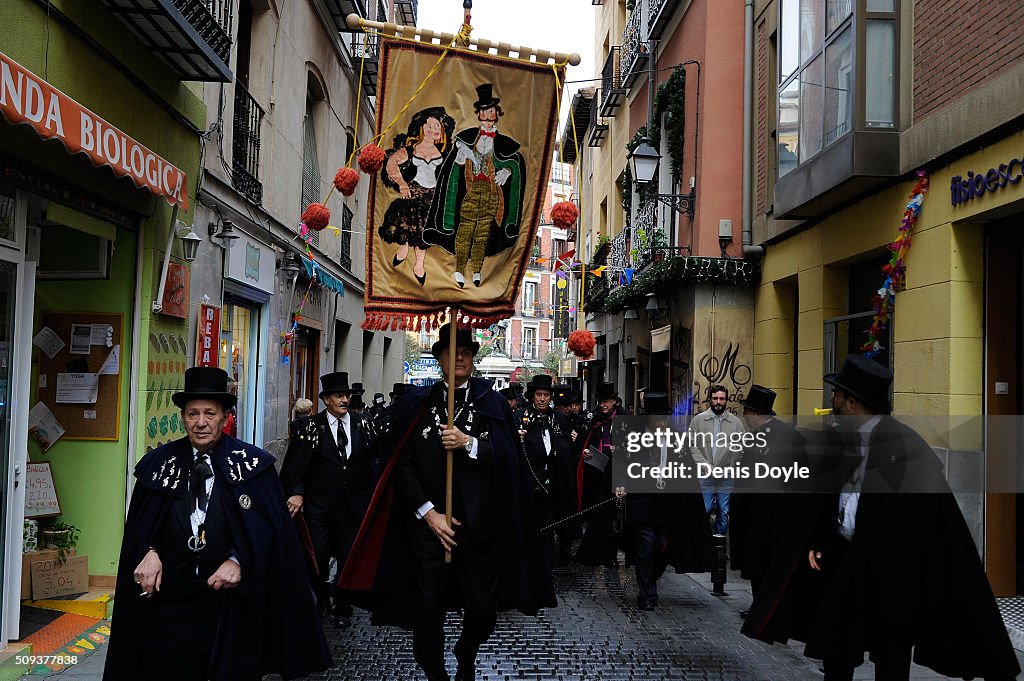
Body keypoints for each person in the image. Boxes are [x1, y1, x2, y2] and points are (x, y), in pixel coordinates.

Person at [743, 356, 1021, 681]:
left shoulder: (905, 447)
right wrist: (818, 541)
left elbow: (932, 523)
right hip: (842, 561)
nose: (830, 400)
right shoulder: (839, 437)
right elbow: (824, 498)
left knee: (890, 658)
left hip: (891, 576)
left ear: (851, 401)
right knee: (836, 647)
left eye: (835, 394)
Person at [338, 323, 555, 681]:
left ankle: (466, 651)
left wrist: (469, 444)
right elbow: (400, 466)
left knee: (484, 607)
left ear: (473, 359)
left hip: (478, 528)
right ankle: (435, 671)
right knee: (427, 607)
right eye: (451, 353)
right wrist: (429, 514)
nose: (459, 359)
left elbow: (509, 459)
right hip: (428, 528)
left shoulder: (492, 403)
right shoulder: (418, 405)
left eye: (466, 354)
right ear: (438, 359)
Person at [104, 367, 329, 680]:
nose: (200, 422)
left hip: (230, 606)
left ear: (225, 417)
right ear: (182, 417)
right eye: (192, 413)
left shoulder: (254, 467)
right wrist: (150, 550)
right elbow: (140, 529)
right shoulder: (157, 466)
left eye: (210, 413)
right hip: (170, 604)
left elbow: (272, 535)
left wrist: (239, 560)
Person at [577, 391, 712, 610]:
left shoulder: (678, 440)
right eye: (657, 419)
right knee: (645, 546)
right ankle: (647, 593)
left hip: (668, 505)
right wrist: (620, 484)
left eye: (664, 419)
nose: (661, 424)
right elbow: (619, 463)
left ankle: (649, 579)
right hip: (640, 504)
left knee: (664, 547)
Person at [279, 372, 379, 628]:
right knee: (319, 556)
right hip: (319, 506)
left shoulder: (363, 424)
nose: (344, 400)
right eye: (338, 395)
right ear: (326, 400)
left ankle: (342, 604)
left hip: (352, 505)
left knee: (348, 555)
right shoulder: (308, 428)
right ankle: (322, 597)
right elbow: (293, 467)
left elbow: (374, 461)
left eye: (346, 395)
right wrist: (297, 491)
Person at [424, 84, 527, 288]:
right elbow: (453, 171)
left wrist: (507, 171)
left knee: (482, 235)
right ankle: (460, 270)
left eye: (491, 111)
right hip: (471, 194)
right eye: (484, 111)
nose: (487, 115)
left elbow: (513, 163)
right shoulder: (467, 138)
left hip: (491, 196)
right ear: (479, 114)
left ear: (496, 115)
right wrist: (460, 162)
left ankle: (478, 271)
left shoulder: (504, 143)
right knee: (465, 233)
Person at [729, 385, 808, 602]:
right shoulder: (758, 435)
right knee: (759, 560)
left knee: (765, 560)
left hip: (772, 511)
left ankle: (765, 605)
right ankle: (760, 604)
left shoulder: (787, 437)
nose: (744, 416)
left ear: (756, 414)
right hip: (760, 510)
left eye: (747, 411)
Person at [380, 106, 456, 286]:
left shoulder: (444, 155)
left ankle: (419, 265)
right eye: (429, 126)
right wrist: (402, 184)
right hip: (413, 194)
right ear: (422, 128)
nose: (433, 129)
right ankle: (403, 247)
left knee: (423, 232)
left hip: (431, 198)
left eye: (437, 126)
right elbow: (391, 164)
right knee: (406, 224)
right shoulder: (410, 150)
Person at [514, 374, 576, 567]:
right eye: (539, 395)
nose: (542, 399)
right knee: (528, 525)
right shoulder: (520, 417)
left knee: (548, 525)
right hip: (529, 482)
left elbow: (565, 447)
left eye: (546, 395)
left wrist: (569, 443)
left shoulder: (559, 418)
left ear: (551, 397)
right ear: (533, 396)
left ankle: (544, 564)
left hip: (552, 484)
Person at [687, 385, 746, 536]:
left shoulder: (736, 423)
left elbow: (739, 447)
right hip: (704, 473)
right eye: (715, 398)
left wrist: (727, 465)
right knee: (704, 509)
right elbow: (692, 445)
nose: (718, 401)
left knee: (724, 511)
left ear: (726, 400)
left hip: (726, 474)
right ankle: (703, 543)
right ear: (710, 400)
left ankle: (719, 547)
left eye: (722, 398)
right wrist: (704, 464)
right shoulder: (698, 420)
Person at [575, 382, 622, 513]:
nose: (602, 405)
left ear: (615, 401)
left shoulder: (625, 419)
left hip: (615, 474)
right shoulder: (594, 419)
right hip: (595, 473)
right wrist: (584, 452)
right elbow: (583, 442)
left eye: (606, 401)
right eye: (600, 401)